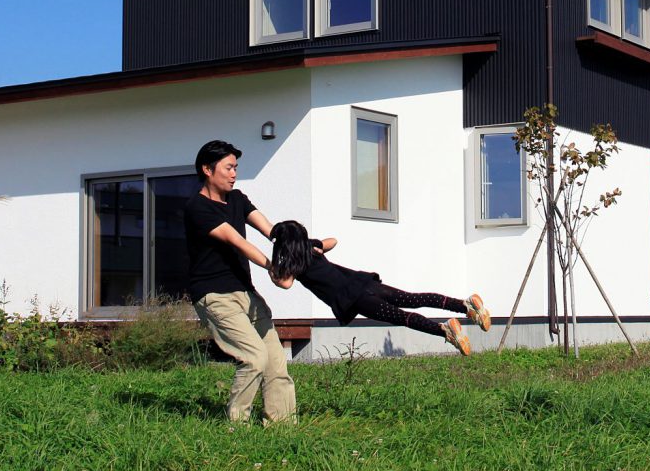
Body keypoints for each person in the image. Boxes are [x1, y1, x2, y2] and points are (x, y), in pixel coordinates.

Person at [182, 140, 296, 423]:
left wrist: (299, 245)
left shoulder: (237, 199)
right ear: (207, 169)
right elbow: (237, 241)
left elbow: (271, 231)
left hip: (245, 292)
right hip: (214, 295)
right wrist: (273, 268)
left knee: (275, 361)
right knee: (254, 357)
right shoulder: (197, 207)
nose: (234, 174)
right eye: (228, 168)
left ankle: (282, 427)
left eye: (236, 168)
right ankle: (237, 427)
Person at [265, 219, 489, 355]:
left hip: (354, 298)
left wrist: (270, 268)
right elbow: (333, 241)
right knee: (413, 298)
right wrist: (320, 248)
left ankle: (444, 330)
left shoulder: (295, 266)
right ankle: (465, 305)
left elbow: (285, 284)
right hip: (362, 282)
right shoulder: (310, 249)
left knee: (402, 317)